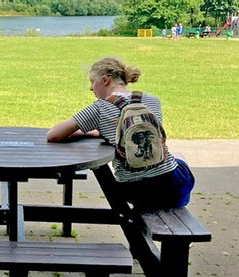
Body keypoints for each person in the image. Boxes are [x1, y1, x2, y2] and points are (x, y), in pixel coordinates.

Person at [46, 57, 194, 212]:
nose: (91, 88)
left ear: (105, 80)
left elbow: (53, 135)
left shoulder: (100, 108)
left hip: (134, 191)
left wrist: (86, 132)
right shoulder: (152, 101)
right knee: (178, 157)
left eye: (92, 82)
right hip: (172, 185)